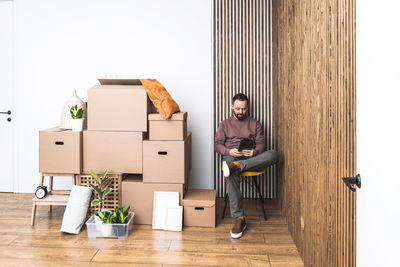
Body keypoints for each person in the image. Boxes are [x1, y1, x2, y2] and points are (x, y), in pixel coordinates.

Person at [215, 93, 278, 239]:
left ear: (247, 107)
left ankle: (237, 165)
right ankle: (240, 219)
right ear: (232, 107)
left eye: (243, 109)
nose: (240, 112)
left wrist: (255, 151)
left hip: (251, 158)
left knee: (273, 154)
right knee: (229, 169)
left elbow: (262, 144)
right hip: (232, 156)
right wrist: (229, 151)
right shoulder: (224, 124)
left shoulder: (255, 123)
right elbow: (217, 145)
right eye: (237, 108)